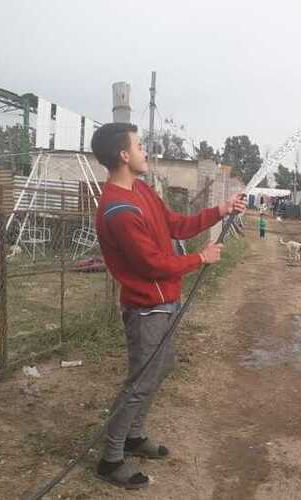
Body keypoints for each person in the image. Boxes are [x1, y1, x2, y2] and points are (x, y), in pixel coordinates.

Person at [91, 122, 246, 489]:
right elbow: (152, 265)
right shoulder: (118, 209)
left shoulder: (141, 190)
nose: (146, 151)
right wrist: (201, 258)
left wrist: (220, 210)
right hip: (146, 309)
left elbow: (176, 224)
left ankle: (134, 435)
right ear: (124, 155)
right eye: (140, 146)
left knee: (160, 370)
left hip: (165, 303)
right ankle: (111, 458)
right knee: (140, 382)